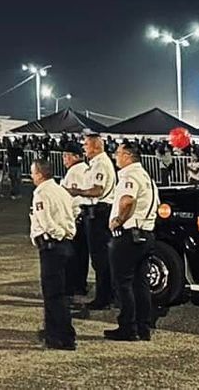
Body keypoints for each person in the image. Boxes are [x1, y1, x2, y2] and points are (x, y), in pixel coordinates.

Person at [107, 140, 161, 342]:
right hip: (146, 234)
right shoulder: (147, 177)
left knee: (124, 283)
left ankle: (127, 327)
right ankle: (143, 327)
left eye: (118, 153)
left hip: (130, 235)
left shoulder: (130, 176)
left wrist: (118, 220)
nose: (115, 157)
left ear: (128, 156)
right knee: (141, 284)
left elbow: (127, 200)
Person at [29, 157, 80, 350]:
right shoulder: (61, 190)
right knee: (59, 293)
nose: (32, 176)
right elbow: (74, 210)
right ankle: (53, 332)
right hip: (65, 245)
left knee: (53, 294)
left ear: (40, 174)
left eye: (34, 173)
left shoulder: (41, 193)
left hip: (52, 246)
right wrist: (68, 232)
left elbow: (45, 221)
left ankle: (63, 336)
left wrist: (58, 233)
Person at [69, 132, 117, 310]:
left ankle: (103, 297)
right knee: (99, 257)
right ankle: (106, 294)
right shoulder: (96, 163)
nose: (84, 148)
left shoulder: (101, 164)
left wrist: (78, 191)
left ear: (96, 146)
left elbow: (97, 190)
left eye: (86, 145)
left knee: (100, 258)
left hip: (99, 212)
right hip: (94, 212)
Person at [58, 142, 93, 306]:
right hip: (84, 216)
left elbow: (68, 198)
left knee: (72, 256)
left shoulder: (75, 172)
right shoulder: (85, 169)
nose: (64, 159)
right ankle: (80, 285)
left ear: (77, 157)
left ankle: (73, 287)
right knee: (82, 255)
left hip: (75, 217)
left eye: (67, 156)